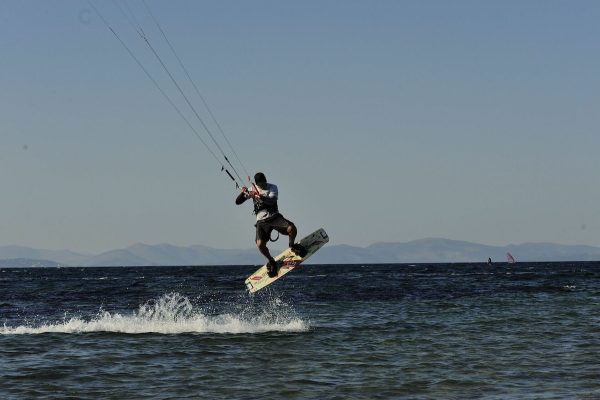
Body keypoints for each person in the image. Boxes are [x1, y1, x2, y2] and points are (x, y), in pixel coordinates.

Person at [236, 172, 307, 277]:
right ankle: (271, 261)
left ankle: (292, 245)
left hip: (274, 216)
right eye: (261, 184)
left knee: (292, 228)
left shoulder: (272, 187)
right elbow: (238, 202)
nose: (263, 185)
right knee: (260, 244)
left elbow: (272, 200)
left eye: (264, 183)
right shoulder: (252, 189)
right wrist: (243, 193)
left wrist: (258, 196)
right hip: (261, 221)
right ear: (257, 184)